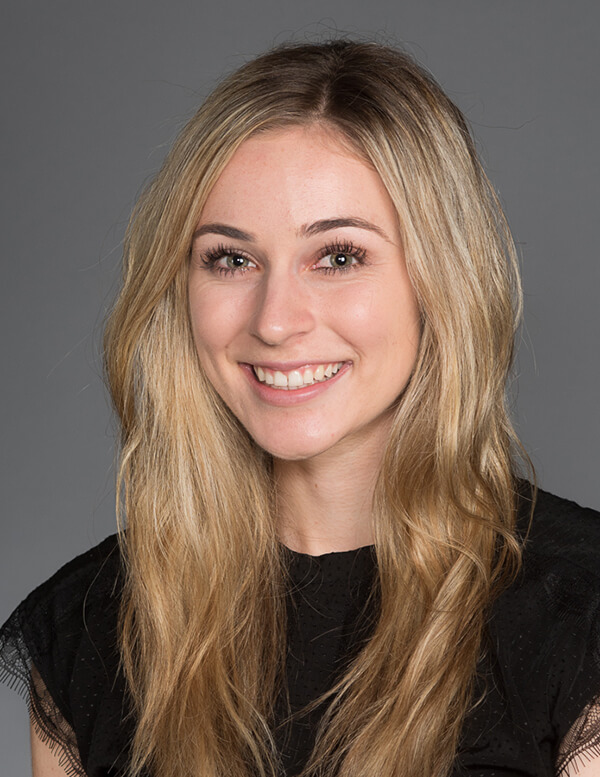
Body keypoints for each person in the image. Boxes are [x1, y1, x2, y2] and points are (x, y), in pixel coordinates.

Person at [1, 39, 599, 777]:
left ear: (440, 282)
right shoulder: (88, 626)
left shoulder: (580, 615)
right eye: (231, 258)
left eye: (339, 256)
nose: (275, 320)